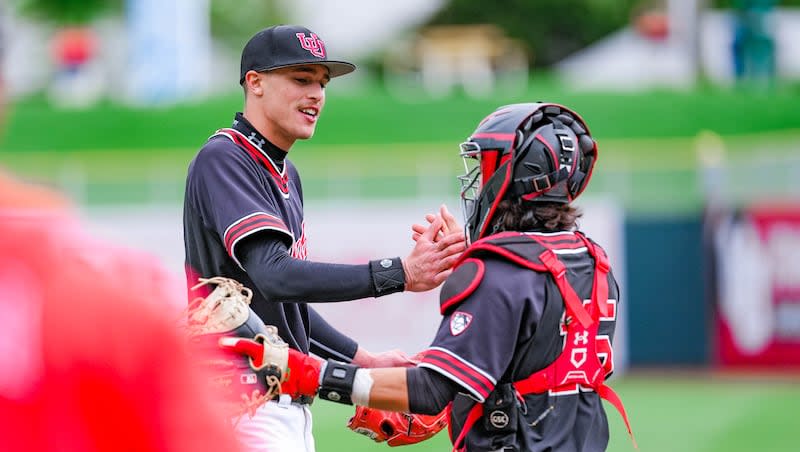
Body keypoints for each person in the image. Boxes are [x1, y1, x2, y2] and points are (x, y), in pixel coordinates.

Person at [223, 102, 635, 451]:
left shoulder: (497, 272)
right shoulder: (590, 261)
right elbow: (531, 343)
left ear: (515, 174)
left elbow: (428, 391)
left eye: (485, 164)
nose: (477, 178)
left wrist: (310, 373)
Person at [182, 24, 465, 451]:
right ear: (255, 83)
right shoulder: (225, 158)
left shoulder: (282, 171)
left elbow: (281, 303)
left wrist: (362, 360)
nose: (316, 94)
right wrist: (400, 273)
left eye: (322, 82)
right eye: (301, 79)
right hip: (240, 405)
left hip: (279, 402)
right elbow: (276, 276)